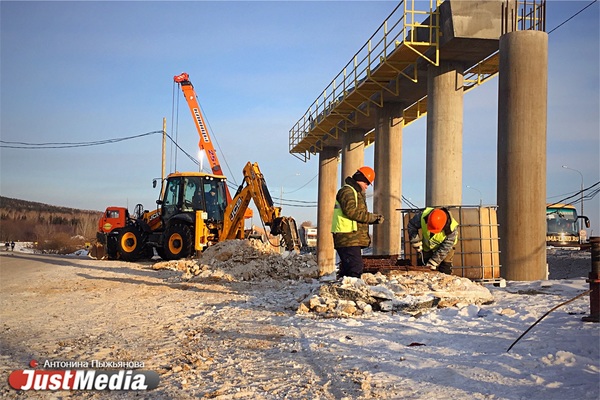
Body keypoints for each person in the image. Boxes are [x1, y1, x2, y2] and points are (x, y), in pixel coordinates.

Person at [331, 166, 384, 279]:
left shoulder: (354, 192)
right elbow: (351, 212)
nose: (367, 187)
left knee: (348, 269)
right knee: (355, 268)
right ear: (362, 179)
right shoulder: (347, 192)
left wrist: (372, 219)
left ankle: (343, 291)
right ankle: (352, 291)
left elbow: (356, 213)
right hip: (347, 237)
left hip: (350, 237)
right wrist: (371, 218)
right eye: (367, 183)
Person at [407, 207, 458, 274]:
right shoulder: (423, 216)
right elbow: (412, 225)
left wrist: (434, 261)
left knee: (445, 268)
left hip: (446, 247)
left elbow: (446, 247)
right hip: (427, 245)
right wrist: (415, 240)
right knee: (422, 265)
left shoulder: (451, 228)